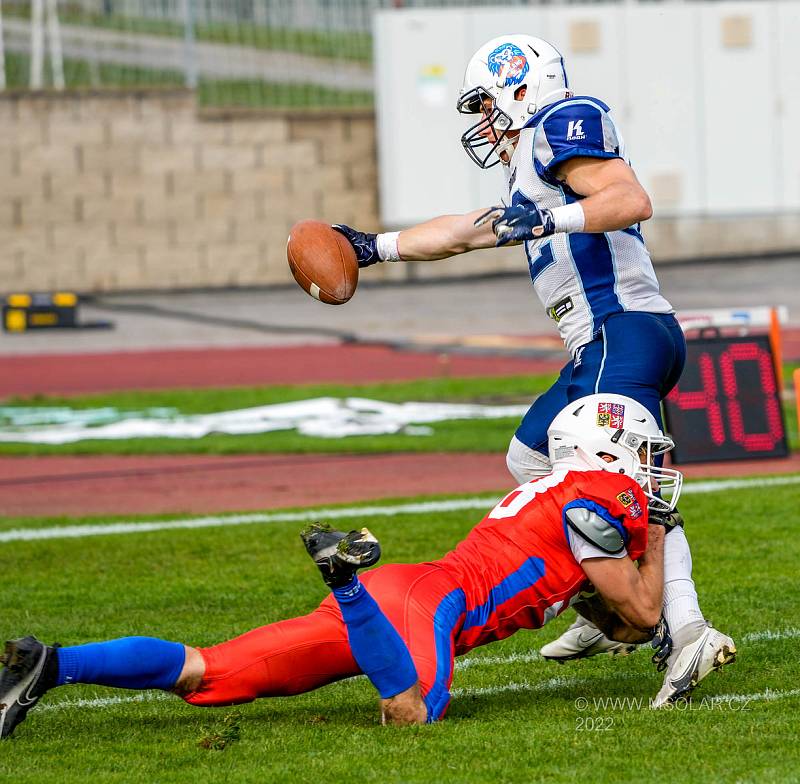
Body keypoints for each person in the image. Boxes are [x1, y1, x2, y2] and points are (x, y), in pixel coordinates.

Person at [331, 34, 733, 702]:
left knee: (610, 478)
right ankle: (606, 613)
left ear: (522, 86)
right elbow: (464, 231)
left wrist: (547, 218)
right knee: (531, 461)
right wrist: (374, 248)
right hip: (597, 346)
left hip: (623, 329)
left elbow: (630, 198)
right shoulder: (528, 169)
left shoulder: (562, 123)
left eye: (487, 102)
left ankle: (686, 630)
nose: (484, 122)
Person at [0, 395, 734, 738]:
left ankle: (50, 665)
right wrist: (663, 528)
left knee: (208, 672)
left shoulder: (558, 493)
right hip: (422, 603)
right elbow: (641, 612)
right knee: (410, 711)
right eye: (644, 453)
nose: (652, 467)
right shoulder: (601, 493)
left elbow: (619, 621)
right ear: (609, 454)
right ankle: (344, 580)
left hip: (411, 589)